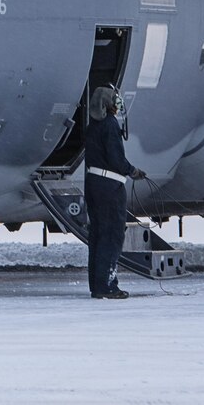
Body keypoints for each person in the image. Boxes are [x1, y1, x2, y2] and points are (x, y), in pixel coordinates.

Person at [82, 85, 147, 300]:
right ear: (109, 104)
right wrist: (133, 171)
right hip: (110, 187)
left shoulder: (93, 126)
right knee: (112, 236)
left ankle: (97, 284)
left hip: (93, 184)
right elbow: (116, 159)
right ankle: (108, 286)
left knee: (98, 236)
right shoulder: (110, 125)